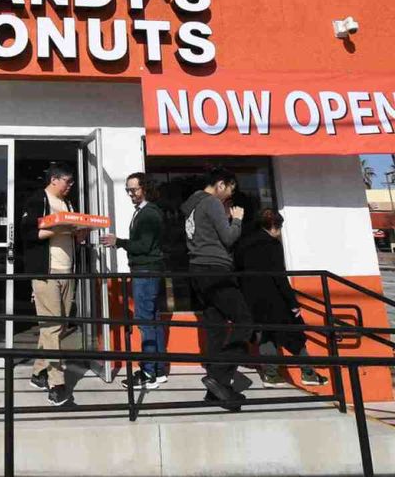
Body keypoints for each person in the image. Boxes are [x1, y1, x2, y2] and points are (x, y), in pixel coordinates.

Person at [180, 167, 252, 410]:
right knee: (245, 321)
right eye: (230, 189)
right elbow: (229, 238)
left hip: (197, 269)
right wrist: (238, 220)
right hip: (216, 269)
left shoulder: (191, 205)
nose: (229, 197)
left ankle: (216, 392)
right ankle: (219, 374)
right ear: (220, 184)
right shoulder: (211, 202)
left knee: (216, 329)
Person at [235, 209, 329, 388]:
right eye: (279, 228)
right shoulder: (272, 244)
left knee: (265, 335)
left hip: (252, 299)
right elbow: (279, 276)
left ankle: (270, 374)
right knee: (295, 334)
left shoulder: (243, 244)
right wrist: (293, 303)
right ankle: (308, 373)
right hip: (274, 297)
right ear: (274, 226)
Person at [21, 162, 83, 406]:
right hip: (46, 272)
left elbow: (74, 239)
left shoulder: (68, 204)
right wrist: (57, 228)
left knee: (57, 325)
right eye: (67, 182)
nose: (70, 186)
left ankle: (38, 372)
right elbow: (28, 234)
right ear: (55, 179)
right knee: (53, 326)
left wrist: (80, 232)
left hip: (67, 271)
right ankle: (57, 384)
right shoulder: (38, 200)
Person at [100, 172, 167, 390]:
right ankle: (156, 370)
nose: (130, 193)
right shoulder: (147, 212)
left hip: (146, 271)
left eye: (134, 189)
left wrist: (117, 241)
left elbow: (143, 246)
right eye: (128, 189)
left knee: (145, 321)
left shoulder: (148, 214)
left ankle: (149, 372)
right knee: (152, 320)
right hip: (149, 270)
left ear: (145, 188)